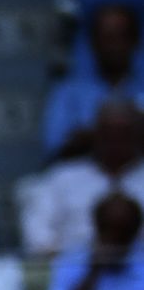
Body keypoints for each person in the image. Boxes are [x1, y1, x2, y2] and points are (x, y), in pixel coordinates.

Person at [24, 97, 144, 258]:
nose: (116, 141)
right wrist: (81, 259)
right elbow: (36, 239)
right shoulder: (62, 178)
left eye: (123, 133)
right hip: (73, 271)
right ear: (95, 135)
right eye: (109, 133)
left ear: (138, 135)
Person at [46, 2, 144, 159]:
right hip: (84, 177)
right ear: (94, 42)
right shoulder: (69, 92)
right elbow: (56, 148)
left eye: (122, 36)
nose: (114, 46)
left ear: (135, 40)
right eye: (108, 37)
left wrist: (93, 135)